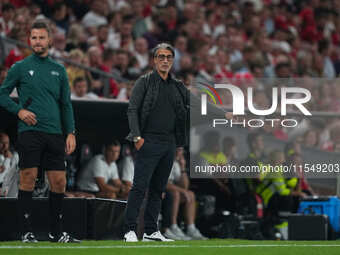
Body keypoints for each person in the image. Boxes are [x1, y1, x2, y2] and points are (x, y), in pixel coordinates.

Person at [123, 42, 232, 242]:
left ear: (172, 61)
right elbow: (132, 110)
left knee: (159, 188)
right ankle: (129, 230)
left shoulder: (177, 86)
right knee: (139, 187)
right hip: (149, 140)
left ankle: (150, 231)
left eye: (168, 57)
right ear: (155, 60)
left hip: (169, 143)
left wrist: (224, 113)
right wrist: (137, 137)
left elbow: (197, 103)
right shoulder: (144, 82)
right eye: (161, 57)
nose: (165, 61)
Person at [0, 20, 78, 243]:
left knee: (59, 182)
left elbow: (66, 104)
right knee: (27, 178)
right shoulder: (20, 67)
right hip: (29, 131)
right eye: (33, 37)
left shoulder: (59, 70)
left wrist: (70, 132)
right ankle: (25, 231)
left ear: (50, 41)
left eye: (41, 37)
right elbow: (2, 94)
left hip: (55, 133)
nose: (37, 41)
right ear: (29, 40)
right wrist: (19, 111)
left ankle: (56, 232)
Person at [164, 147, 207, 240]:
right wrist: (182, 191)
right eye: (177, 149)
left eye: (180, 150)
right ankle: (173, 226)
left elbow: (185, 186)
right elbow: (164, 183)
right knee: (176, 194)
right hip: (163, 190)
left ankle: (191, 228)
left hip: (173, 190)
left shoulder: (176, 163)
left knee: (190, 194)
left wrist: (183, 168)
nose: (178, 152)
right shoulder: (165, 160)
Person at [0, 132, 19, 197]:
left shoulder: (14, 156)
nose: (5, 146)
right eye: (2, 143)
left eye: (7, 143)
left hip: (8, 191)